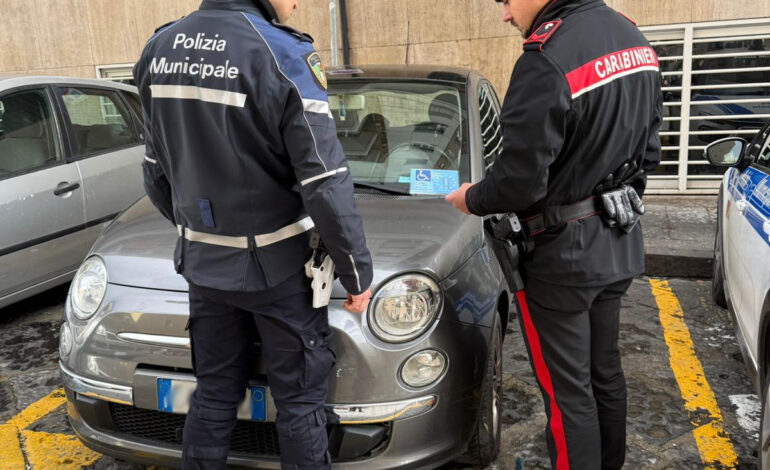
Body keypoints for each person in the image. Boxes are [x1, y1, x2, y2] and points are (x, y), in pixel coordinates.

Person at [133, 0, 373, 468]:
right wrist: (356, 271)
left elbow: (155, 173)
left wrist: (201, 230)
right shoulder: (282, 54)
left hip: (204, 269)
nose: (296, 3)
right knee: (299, 406)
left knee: (214, 395)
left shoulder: (158, 48)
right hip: (279, 270)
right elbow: (325, 182)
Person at [445, 0, 662, 468]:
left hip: (562, 256)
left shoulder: (547, 56)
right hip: (617, 240)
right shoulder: (634, 40)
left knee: (569, 393)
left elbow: (519, 183)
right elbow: (649, 153)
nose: (505, 14)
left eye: (505, 1)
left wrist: (472, 197)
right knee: (604, 372)